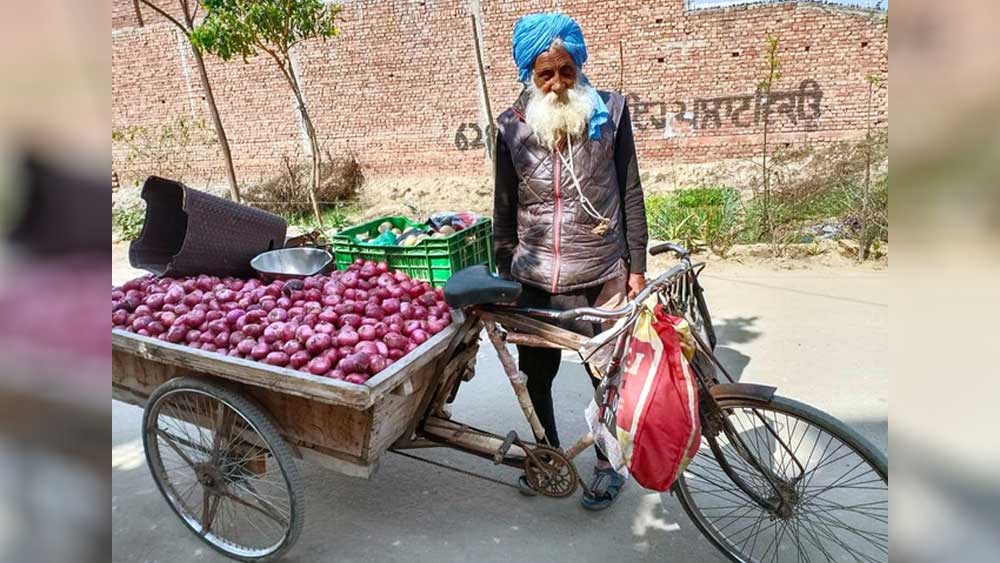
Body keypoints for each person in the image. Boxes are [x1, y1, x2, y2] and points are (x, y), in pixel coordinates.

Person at [493, 12, 648, 510]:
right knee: (536, 375)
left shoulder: (611, 113)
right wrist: (505, 274)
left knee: (607, 379)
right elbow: (502, 206)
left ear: (579, 66)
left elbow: (631, 194)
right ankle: (548, 455)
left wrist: (637, 267)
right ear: (529, 76)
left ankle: (609, 464)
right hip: (534, 277)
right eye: (545, 74)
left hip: (600, 274)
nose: (558, 84)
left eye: (566, 71)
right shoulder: (512, 127)